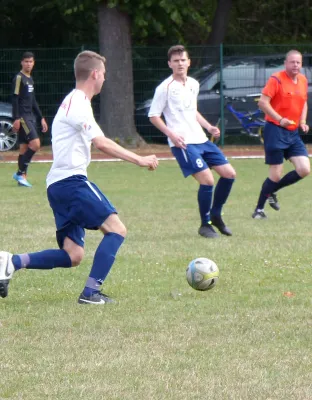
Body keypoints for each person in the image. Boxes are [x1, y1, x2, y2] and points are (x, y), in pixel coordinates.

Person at [0, 50, 158, 304]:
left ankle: (11, 261)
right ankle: (91, 293)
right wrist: (139, 159)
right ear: (95, 74)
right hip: (71, 183)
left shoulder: (74, 101)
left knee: (73, 255)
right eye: (104, 74)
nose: (105, 79)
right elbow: (101, 143)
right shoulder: (78, 103)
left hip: (58, 186)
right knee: (117, 230)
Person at [148, 44, 236, 239]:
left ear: (189, 62)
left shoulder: (194, 84)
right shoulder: (165, 88)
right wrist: (171, 135)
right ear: (170, 64)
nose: (180, 64)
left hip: (201, 139)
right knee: (208, 180)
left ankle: (216, 215)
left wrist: (208, 126)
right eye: (176, 61)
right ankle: (205, 225)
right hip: (183, 143)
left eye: (183, 60)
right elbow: (154, 116)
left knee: (229, 174)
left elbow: (192, 111)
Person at [252, 50, 310, 219]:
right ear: (285, 63)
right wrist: (280, 119)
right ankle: (259, 210)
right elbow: (263, 103)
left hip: (292, 133)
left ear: (301, 64)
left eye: (298, 62)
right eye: (292, 62)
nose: (295, 65)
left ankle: (272, 191)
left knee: (304, 169)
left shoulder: (303, 80)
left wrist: (302, 122)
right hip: (275, 130)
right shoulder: (276, 79)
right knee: (276, 174)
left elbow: (303, 102)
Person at [12, 51, 48, 188]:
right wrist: (16, 118)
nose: (28, 64)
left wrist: (41, 118)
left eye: (31, 61)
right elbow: (14, 98)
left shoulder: (30, 79)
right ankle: (20, 173)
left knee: (24, 148)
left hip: (31, 117)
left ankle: (22, 179)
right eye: (26, 61)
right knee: (36, 144)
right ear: (22, 62)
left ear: (34, 63)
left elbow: (33, 101)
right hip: (22, 117)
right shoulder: (19, 78)